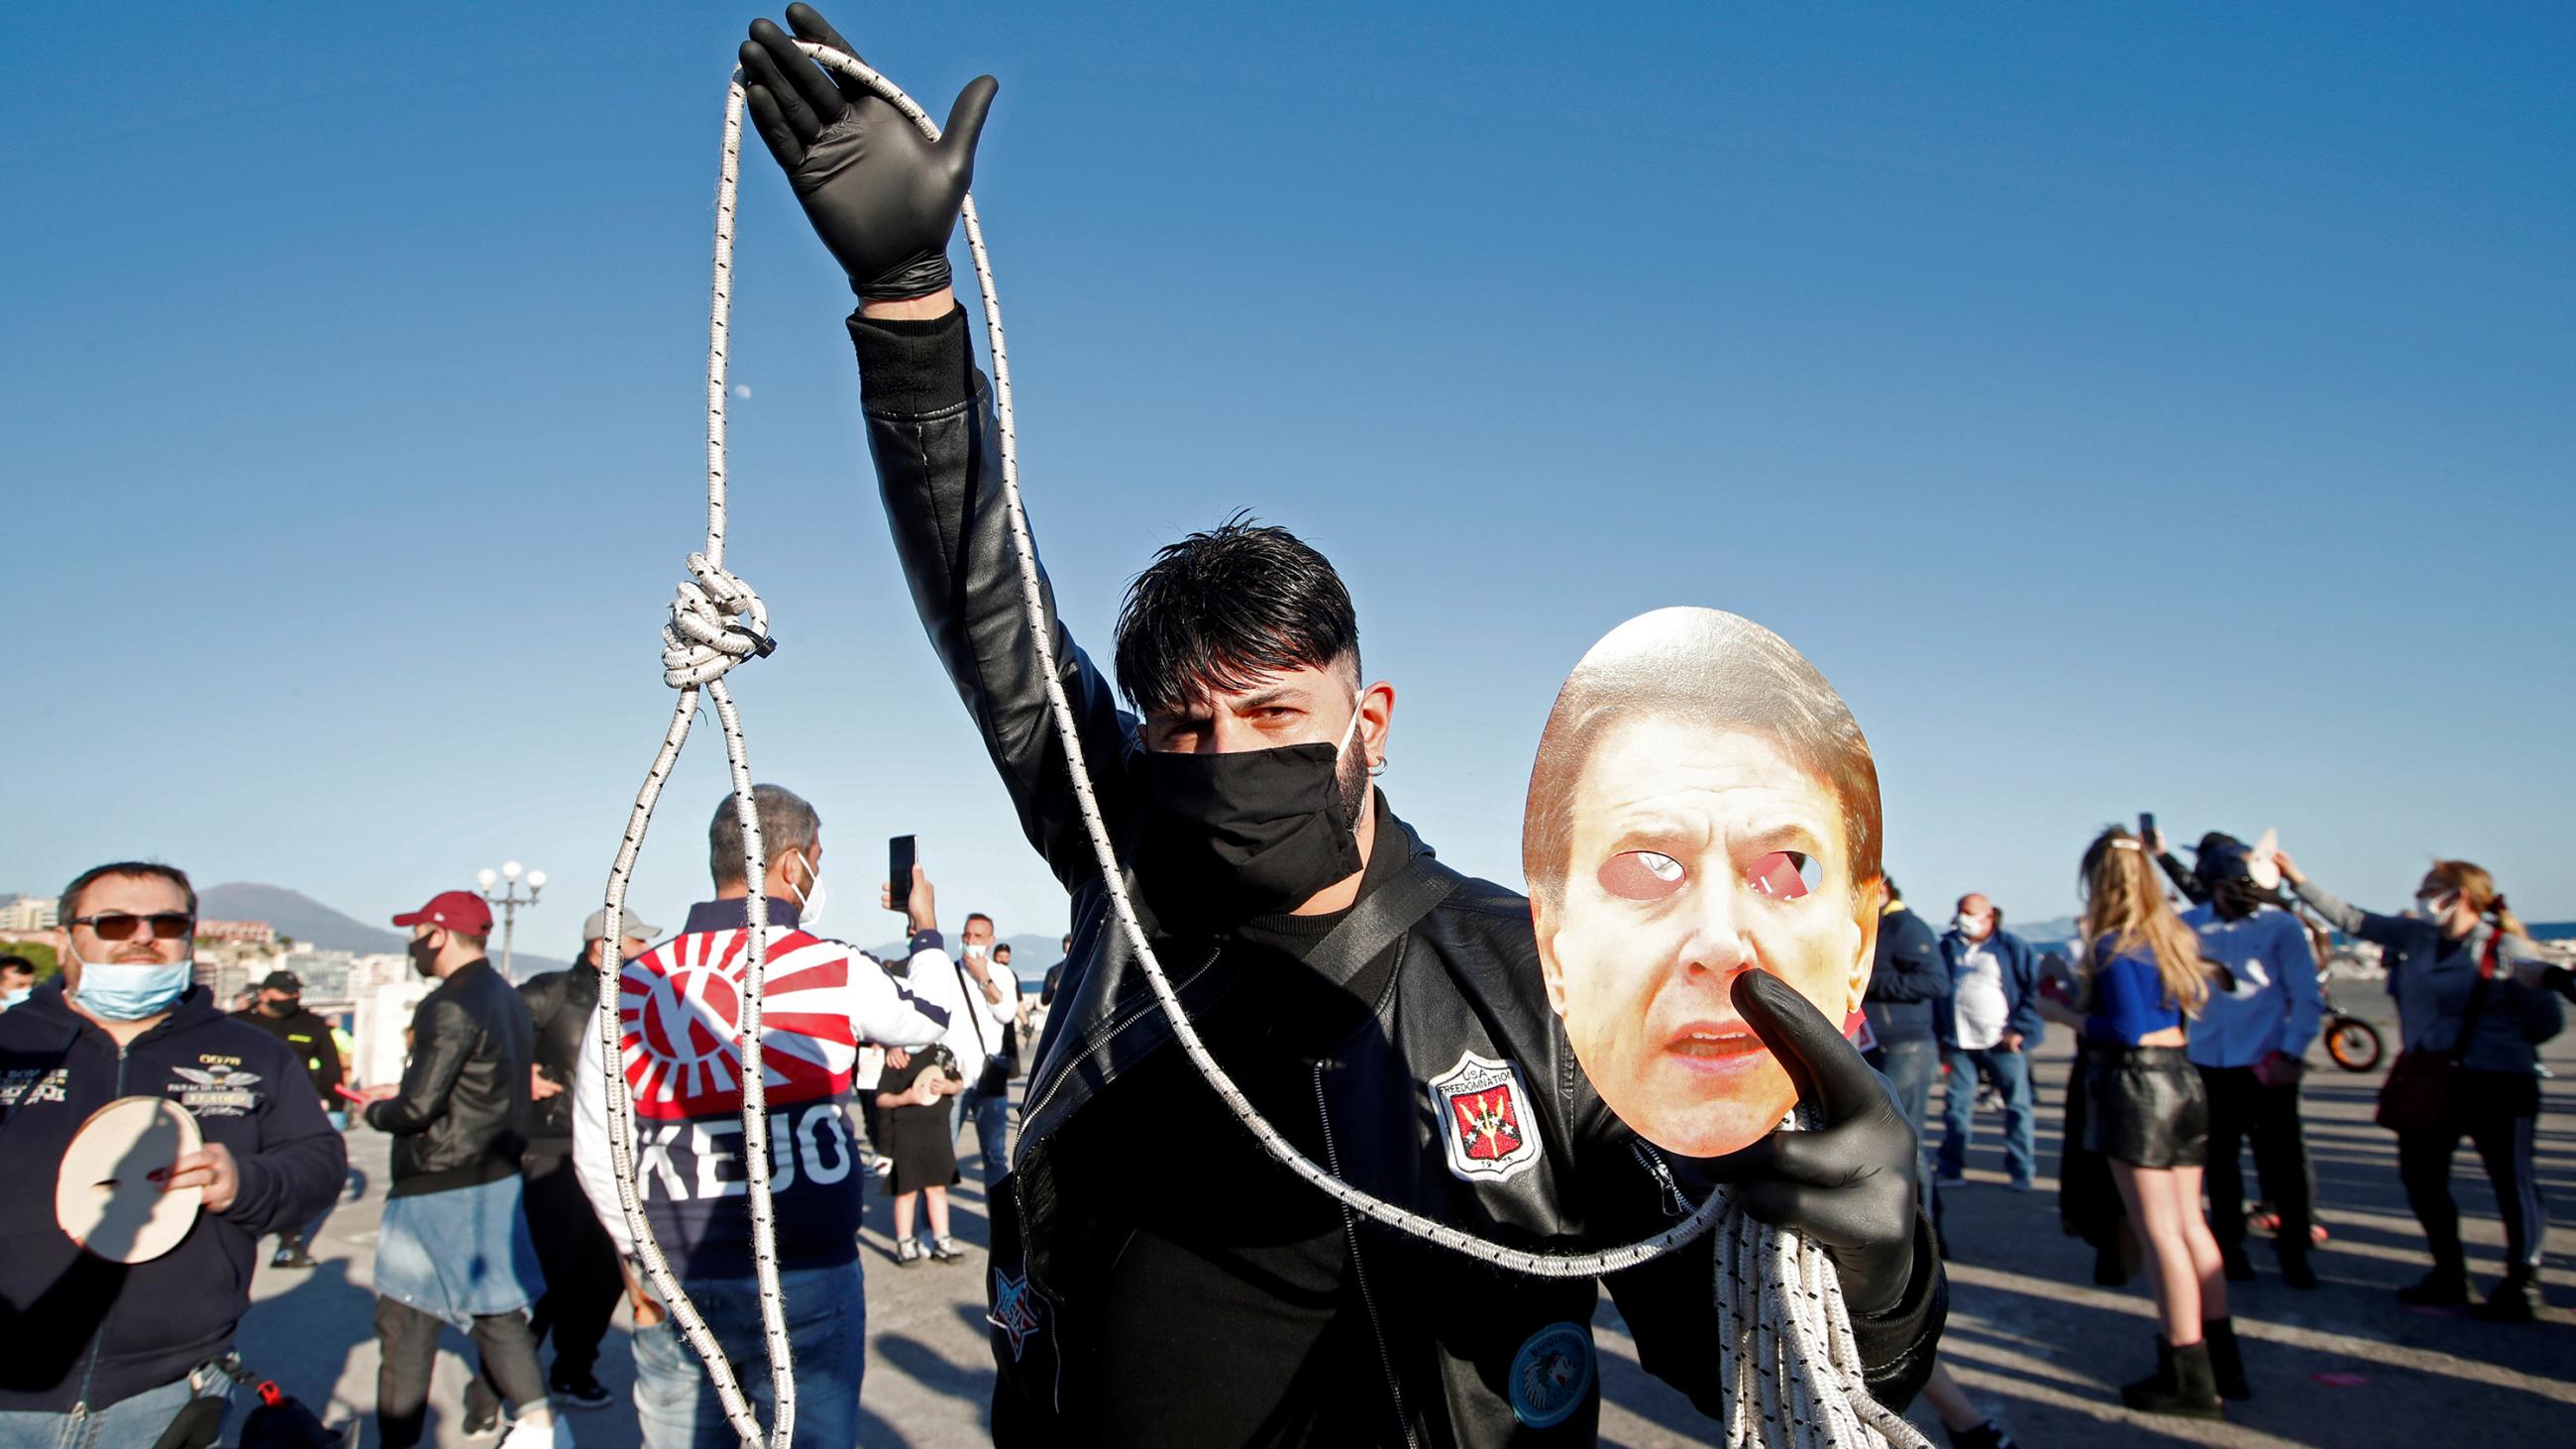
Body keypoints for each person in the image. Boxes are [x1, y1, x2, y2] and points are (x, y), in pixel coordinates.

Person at [734, 20, 1948, 1433]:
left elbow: (1754, 1356)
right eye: (1184, 726)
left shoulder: (1538, 981)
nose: (1226, 755)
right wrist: (908, 309)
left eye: (1273, 712)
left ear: (1369, 717)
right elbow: (987, 610)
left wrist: (1872, 1254)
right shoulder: (1127, 865)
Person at [572, 784, 954, 1446]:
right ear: (791, 865)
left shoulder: (631, 986)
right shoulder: (829, 966)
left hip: (678, 1275)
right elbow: (931, 1018)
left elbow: (597, 1145)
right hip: (808, 1274)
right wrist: (923, 926)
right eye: (817, 857)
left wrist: (642, 1259)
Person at [0, 862, 345, 1448]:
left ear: (189, 935)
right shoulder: (11, 1044)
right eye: (113, 923)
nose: (142, 935)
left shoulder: (251, 1052)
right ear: (64, 939)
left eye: (166, 922)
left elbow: (318, 1163)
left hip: (171, 1391)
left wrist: (249, 1182)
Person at [2276, 849, 2562, 1319]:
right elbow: (2353, 918)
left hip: (2499, 1083)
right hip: (2431, 1081)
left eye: (2430, 889)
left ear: (2461, 896)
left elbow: (2545, 1021)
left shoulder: (2506, 949)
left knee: (2514, 1183)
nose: (2420, 898)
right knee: (2422, 1179)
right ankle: (2449, 1272)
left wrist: (2491, 1041)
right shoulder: (2418, 937)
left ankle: (2522, 1283)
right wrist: (2297, 880)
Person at [361, 889, 562, 1449]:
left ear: (438, 934)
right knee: (498, 1316)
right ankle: (543, 1428)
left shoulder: (448, 1003)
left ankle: (398, 1440)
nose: (413, 944)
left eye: (417, 931)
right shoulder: (504, 996)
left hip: (439, 1181)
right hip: (495, 1174)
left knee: (405, 1321)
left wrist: (375, 1107)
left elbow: (418, 1107)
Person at [464, 909, 661, 1425]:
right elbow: (478, 1034)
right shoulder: (552, 991)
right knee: (542, 1278)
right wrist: (517, 1073)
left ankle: (574, 1371)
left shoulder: (638, 997)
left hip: (618, 1158)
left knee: (604, 1277)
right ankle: (492, 1391)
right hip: (552, 1152)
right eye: (637, 942)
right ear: (605, 945)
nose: (645, 951)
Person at [2074, 829, 2227, 1418]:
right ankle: (2221, 1357)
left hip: (2137, 1086)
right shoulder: (2171, 936)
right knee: (2191, 1224)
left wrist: (2066, 1009)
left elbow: (2126, 1027)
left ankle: (2187, 1372)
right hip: (2182, 1076)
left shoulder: (2114, 944)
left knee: (2159, 1230)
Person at [2178, 840, 2321, 1292]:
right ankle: (2229, 1248)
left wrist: (2292, 1054)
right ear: (2216, 886)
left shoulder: (2281, 926)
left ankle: (2294, 1248)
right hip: (2208, 1061)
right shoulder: (2188, 926)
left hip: (2265, 1063)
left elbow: (2305, 996)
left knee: (2282, 1160)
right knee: (2219, 1162)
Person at [229, 968, 348, 1269]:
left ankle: (289, 1244)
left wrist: (336, 1107)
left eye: (296, 993)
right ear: (266, 993)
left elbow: (331, 1068)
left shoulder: (312, 1024)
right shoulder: (238, 1024)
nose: (293, 998)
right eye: (286, 993)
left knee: (293, 1178)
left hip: (292, 1112)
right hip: (243, 1109)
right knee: (240, 1172)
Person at [1936, 895, 2043, 1191]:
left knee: (2017, 1106)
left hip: (2001, 1043)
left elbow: (2032, 992)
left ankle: (2022, 1170)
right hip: (1959, 1042)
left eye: (1969, 913)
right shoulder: (1948, 947)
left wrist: (2020, 1031)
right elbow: (1939, 992)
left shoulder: (2011, 947)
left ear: (1988, 917)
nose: (1962, 918)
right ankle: (1951, 1168)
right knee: (1956, 1106)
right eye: (1959, 912)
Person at [1864, 878, 1950, 1213]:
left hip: (1907, 1047)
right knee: (1886, 1140)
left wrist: (1870, 981)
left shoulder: (1908, 928)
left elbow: (1935, 981)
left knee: (1905, 1140)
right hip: (1878, 1046)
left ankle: (1924, 1228)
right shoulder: (1876, 927)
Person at [951, 911, 1020, 1181]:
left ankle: (1000, 1224)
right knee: (940, 1155)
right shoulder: (948, 971)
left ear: (990, 940)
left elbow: (1006, 1013)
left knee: (995, 1156)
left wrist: (983, 978)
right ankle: (929, 1224)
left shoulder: (1001, 974)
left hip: (989, 1076)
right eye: (967, 935)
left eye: (977, 936)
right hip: (953, 1078)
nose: (970, 940)